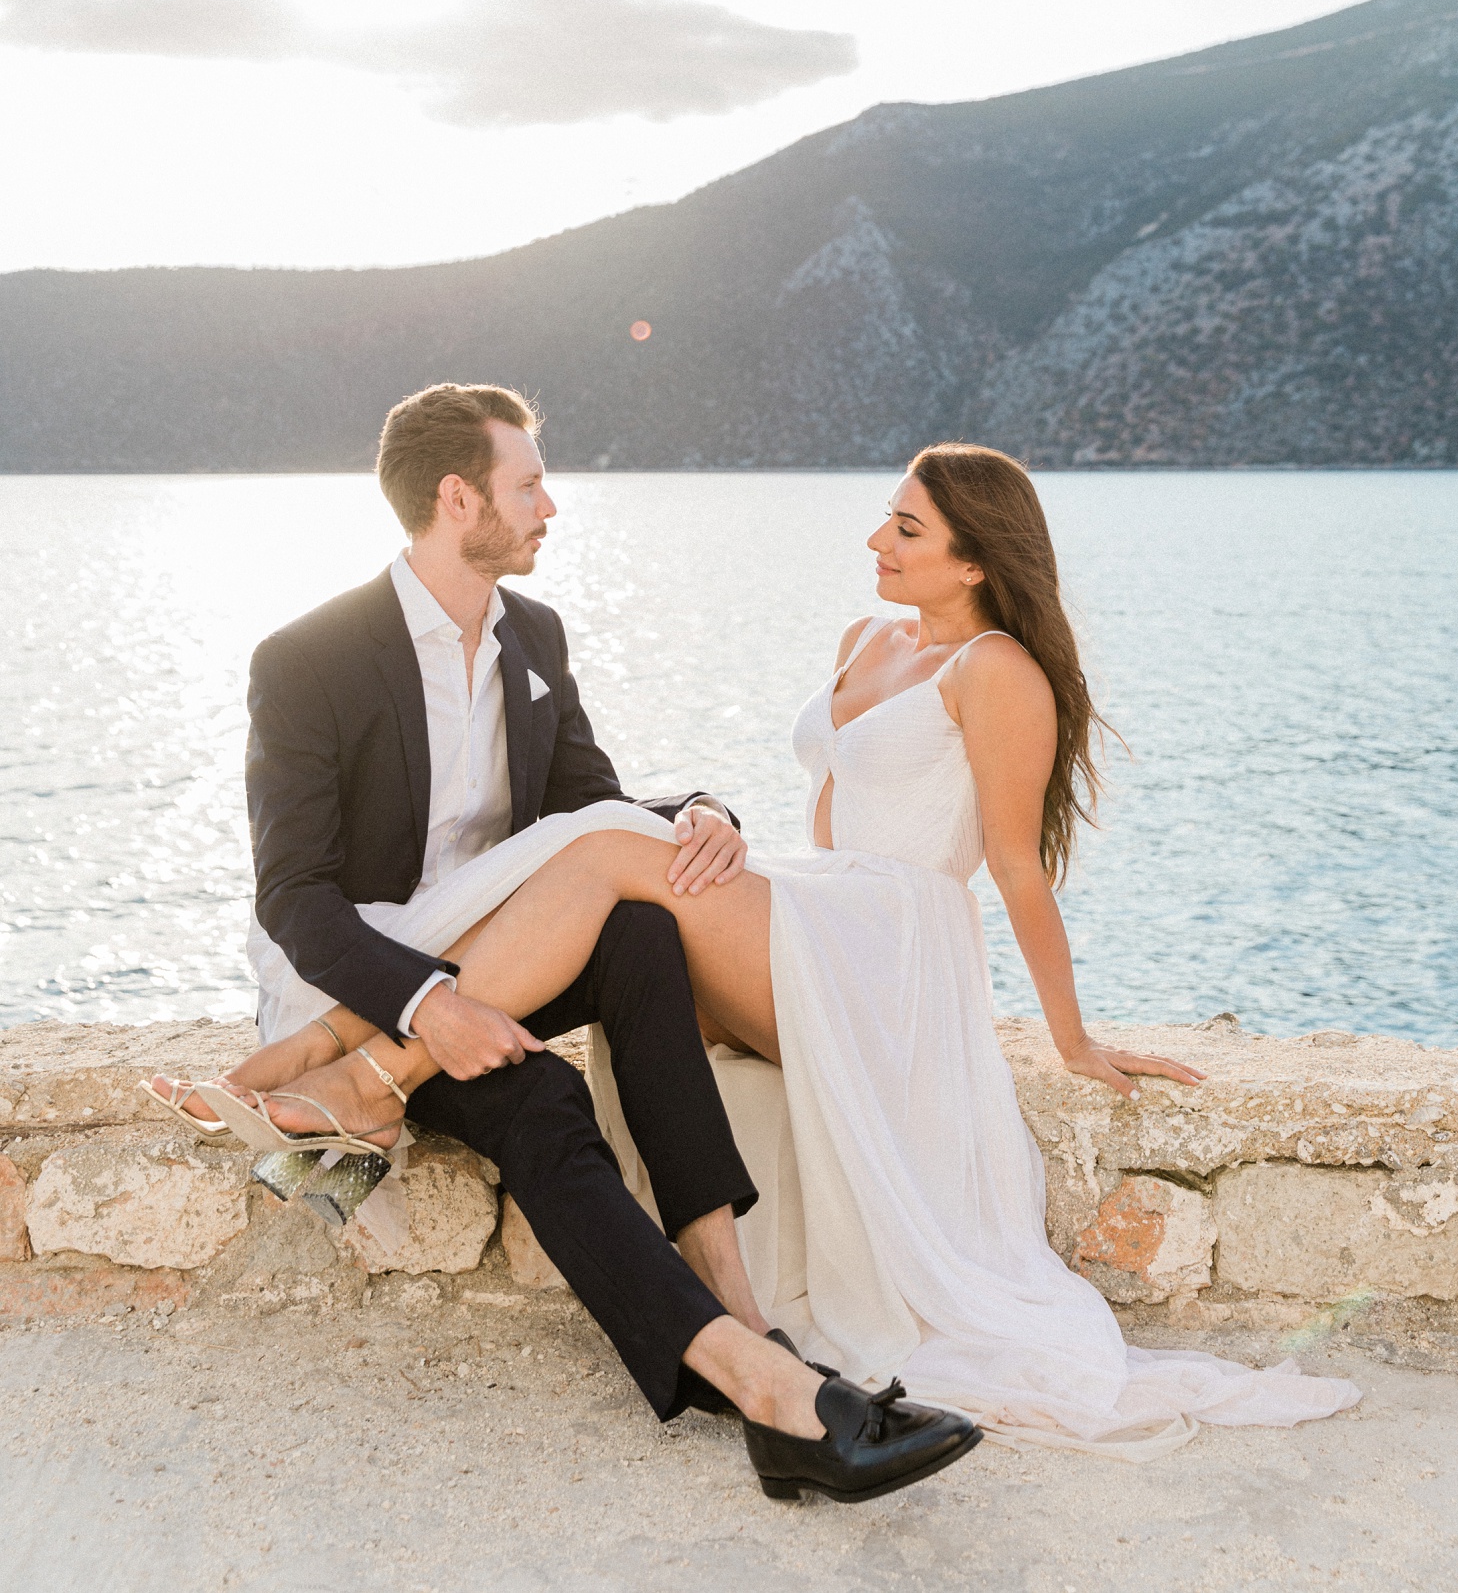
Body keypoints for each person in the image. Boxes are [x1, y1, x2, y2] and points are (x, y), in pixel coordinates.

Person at [199, 437, 1359, 1456]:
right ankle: (717, 1313)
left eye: (906, 526)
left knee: (613, 859)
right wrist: (725, 850)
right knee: (621, 889)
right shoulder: (863, 639)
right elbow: (826, 807)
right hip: (806, 903)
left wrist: (1069, 1036)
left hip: (888, 945)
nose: (876, 537)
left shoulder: (996, 671)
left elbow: (1013, 871)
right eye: (532, 482)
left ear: (974, 559)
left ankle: (362, 1071)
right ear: (460, 498)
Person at [147, 383, 980, 1507]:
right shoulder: (310, 657)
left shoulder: (532, 635)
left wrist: (702, 810)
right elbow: (294, 901)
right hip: (369, 985)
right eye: (529, 482)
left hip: (503, 960)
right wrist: (427, 1009)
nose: (552, 505)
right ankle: (769, 1389)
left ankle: (743, 1313)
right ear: (458, 498)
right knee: (543, 1104)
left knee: (640, 927)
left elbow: (592, 804)